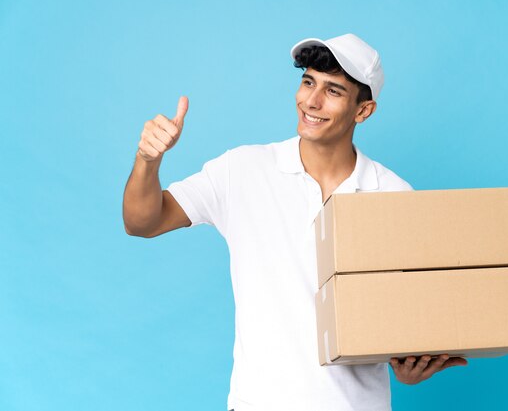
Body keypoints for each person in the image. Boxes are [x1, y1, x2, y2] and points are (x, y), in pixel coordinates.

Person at [123, 33, 467, 411]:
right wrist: (147, 160)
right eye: (308, 82)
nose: (311, 101)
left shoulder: (395, 196)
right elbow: (143, 222)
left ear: (363, 111)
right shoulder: (243, 169)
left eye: (333, 91)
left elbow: (406, 319)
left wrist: (408, 366)